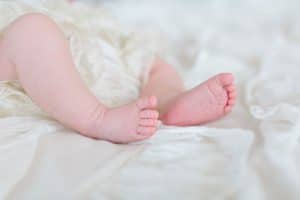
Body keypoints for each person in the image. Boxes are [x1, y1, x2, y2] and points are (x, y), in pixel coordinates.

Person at [0, 13, 236, 143]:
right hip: (17, 54)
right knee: (31, 32)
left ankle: (168, 101)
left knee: (151, 62)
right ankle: (97, 119)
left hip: (82, 48)